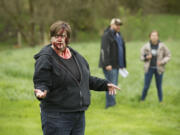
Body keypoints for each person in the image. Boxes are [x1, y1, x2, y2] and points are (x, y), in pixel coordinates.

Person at [33, 20, 120, 135]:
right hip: (56, 117)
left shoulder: (76, 57)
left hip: (78, 116)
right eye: (56, 36)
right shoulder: (46, 58)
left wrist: (104, 84)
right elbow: (41, 81)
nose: (59, 39)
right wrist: (41, 90)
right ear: (51, 38)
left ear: (68, 38)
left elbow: (84, 80)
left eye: (62, 36)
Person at [99, 18, 126, 108]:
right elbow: (104, 50)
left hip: (117, 65)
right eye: (116, 24)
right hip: (110, 65)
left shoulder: (118, 35)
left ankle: (112, 103)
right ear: (111, 25)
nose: (118, 27)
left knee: (114, 84)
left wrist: (122, 65)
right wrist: (107, 64)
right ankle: (110, 105)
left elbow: (121, 49)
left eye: (119, 25)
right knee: (111, 84)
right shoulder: (106, 35)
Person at [140, 30, 171, 102]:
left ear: (158, 37)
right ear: (150, 37)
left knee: (159, 86)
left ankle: (161, 101)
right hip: (149, 69)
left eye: (155, 35)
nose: (154, 37)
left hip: (159, 69)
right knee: (146, 86)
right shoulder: (146, 46)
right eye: (152, 35)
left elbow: (168, 55)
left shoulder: (162, 46)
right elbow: (141, 56)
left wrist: (162, 62)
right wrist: (146, 57)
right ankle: (142, 100)